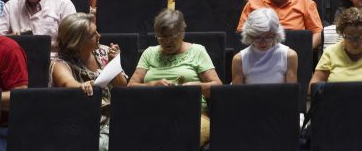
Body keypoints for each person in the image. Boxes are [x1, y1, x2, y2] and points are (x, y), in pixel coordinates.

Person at [128, 9, 222, 146]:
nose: (167, 42)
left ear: (182, 31)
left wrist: (195, 88)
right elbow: (130, 88)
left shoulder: (197, 51)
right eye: (161, 37)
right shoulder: (149, 53)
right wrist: (152, 86)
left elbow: (217, 87)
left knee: (178, 138)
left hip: (194, 115)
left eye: (171, 36)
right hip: (155, 115)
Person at [49, 12, 127, 148]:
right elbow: (66, 82)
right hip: (83, 123)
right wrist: (81, 86)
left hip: (115, 118)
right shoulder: (60, 63)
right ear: (77, 42)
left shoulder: (104, 51)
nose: (99, 36)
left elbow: (122, 87)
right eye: (93, 35)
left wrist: (113, 63)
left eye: (97, 31)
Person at [311, 7, 362, 84]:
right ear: (342, 34)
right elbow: (313, 87)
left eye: (361, 37)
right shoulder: (331, 51)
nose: (355, 43)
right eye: (349, 37)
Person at [231, 8, 298, 85]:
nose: (263, 43)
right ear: (250, 35)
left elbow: (290, 93)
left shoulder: (289, 56)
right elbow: (237, 94)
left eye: (268, 37)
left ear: (276, 34)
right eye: (257, 37)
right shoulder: (239, 59)